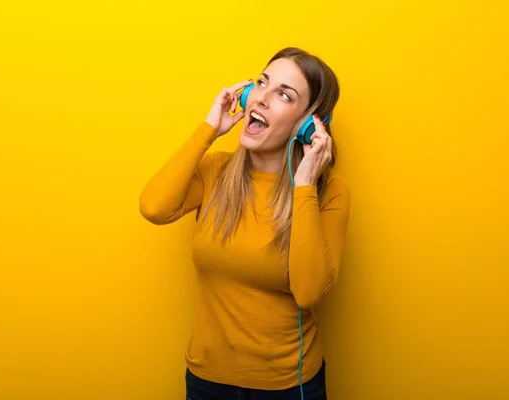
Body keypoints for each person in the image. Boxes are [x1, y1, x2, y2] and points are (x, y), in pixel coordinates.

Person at [140, 47, 351, 399]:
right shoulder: (215, 171)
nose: (262, 99)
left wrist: (304, 186)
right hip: (207, 380)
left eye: (284, 94)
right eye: (262, 83)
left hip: (288, 386)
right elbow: (154, 208)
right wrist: (209, 129)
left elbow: (309, 291)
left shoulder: (327, 192)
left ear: (307, 124)